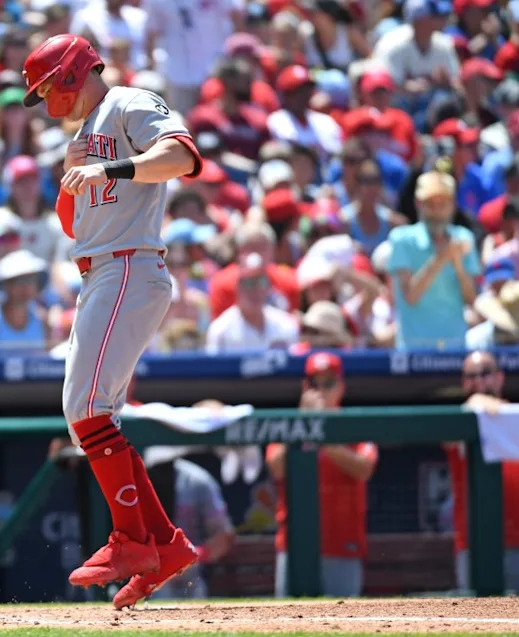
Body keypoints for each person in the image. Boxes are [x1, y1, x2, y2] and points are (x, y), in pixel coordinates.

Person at [22, 34, 207, 610]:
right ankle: (164, 546)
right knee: (87, 420)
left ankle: (131, 541)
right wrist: (73, 175)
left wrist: (111, 167)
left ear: (74, 72)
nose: (47, 98)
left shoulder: (127, 103)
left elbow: (183, 157)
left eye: (49, 85)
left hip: (130, 265)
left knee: (85, 410)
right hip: (101, 270)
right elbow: (74, 221)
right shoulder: (81, 136)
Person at [266, 352, 378, 598]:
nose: (321, 391)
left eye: (328, 383)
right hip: (295, 545)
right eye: (314, 383)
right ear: (304, 387)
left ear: (341, 386)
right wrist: (303, 425)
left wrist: (320, 436)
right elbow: (276, 466)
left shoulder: (354, 426)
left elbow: (364, 468)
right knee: (288, 625)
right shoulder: (288, 426)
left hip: (342, 543)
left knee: (345, 626)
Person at [448, 351, 519, 591]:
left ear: (500, 378)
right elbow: (473, 406)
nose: (479, 381)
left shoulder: (514, 416)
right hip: (474, 544)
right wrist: (482, 404)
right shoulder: (458, 419)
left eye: (486, 373)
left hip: (517, 541)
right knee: (477, 621)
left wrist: (497, 408)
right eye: (471, 375)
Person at [387, 171, 480, 350]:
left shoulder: (464, 237)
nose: (436, 211)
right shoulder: (402, 239)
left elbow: (470, 299)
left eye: (442, 204)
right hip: (414, 349)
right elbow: (410, 296)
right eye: (430, 204)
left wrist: (458, 263)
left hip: (455, 347)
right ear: (418, 204)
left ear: (452, 206)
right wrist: (441, 258)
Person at [145, 456, 235, 600]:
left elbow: (223, 537)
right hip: (148, 573)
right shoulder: (132, 480)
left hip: (193, 574)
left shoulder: (197, 481)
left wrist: (191, 557)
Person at [205, 252, 300, 353]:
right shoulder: (221, 330)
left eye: (261, 282)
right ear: (238, 287)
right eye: (249, 283)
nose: (256, 290)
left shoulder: (286, 324)